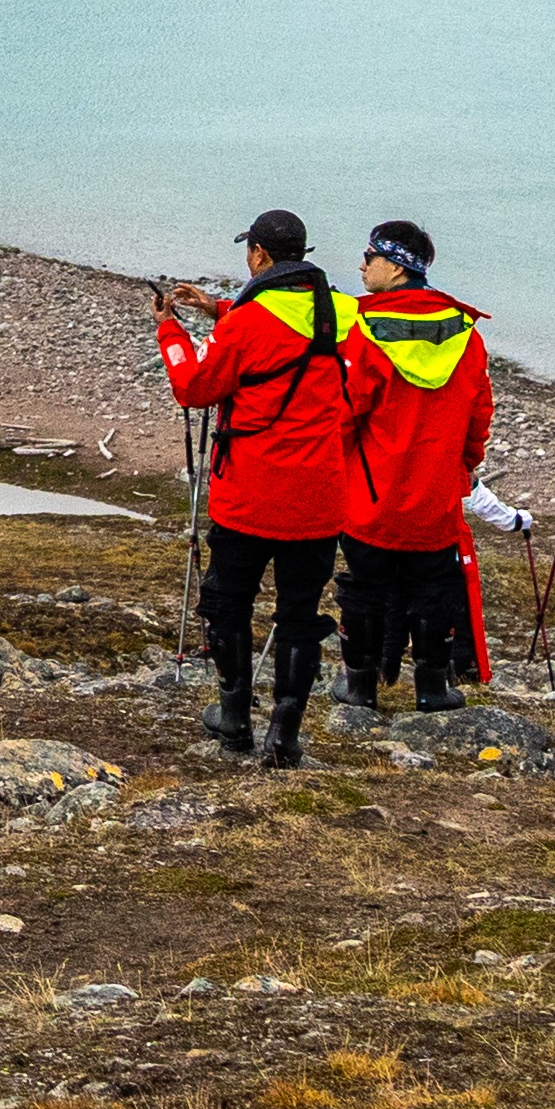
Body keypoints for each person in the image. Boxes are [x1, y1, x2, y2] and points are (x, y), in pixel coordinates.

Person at [154, 212, 362, 763]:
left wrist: (171, 331)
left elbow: (194, 388)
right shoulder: (345, 314)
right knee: (299, 616)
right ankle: (283, 738)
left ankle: (234, 720)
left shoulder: (245, 324)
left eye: (249, 250)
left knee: (226, 603)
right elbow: (297, 337)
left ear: (260, 255)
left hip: (249, 494)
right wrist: (217, 308)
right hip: (318, 497)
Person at [334, 222, 500, 712]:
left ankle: (360, 686)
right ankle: (432, 688)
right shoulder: (466, 334)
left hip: (371, 493)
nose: (362, 265)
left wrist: (338, 466)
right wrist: (464, 464)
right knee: (434, 588)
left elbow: (345, 413)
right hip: (436, 494)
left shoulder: (365, 331)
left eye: (369, 256)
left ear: (396, 266)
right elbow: (479, 413)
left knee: (363, 588)